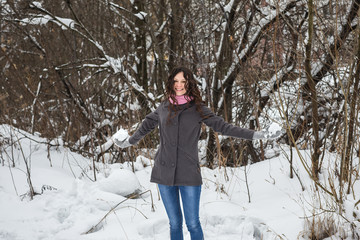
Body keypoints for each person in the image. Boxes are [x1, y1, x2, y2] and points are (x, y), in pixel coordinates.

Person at [114, 66, 281, 240]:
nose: (179, 85)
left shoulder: (198, 109)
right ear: (171, 82)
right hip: (164, 174)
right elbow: (146, 126)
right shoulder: (164, 107)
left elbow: (224, 127)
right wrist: (128, 142)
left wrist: (259, 135)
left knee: (193, 223)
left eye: (183, 82)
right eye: (176, 81)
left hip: (188, 174)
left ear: (190, 83)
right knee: (174, 223)